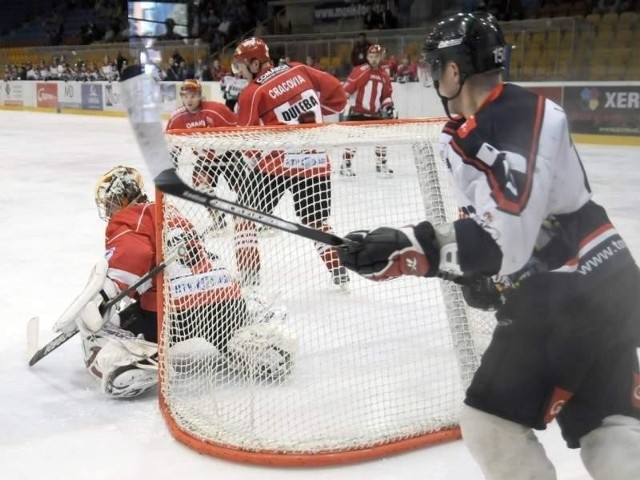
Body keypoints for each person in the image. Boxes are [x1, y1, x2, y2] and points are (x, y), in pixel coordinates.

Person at [337, 11, 640, 480]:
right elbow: (524, 226)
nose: (435, 78)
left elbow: (509, 239)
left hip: (567, 297)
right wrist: (480, 274)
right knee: (611, 427)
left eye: (438, 67)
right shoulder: (518, 111)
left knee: (489, 425)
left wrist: (414, 246)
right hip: (611, 276)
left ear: (455, 70)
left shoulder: (491, 129)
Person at [53, 166, 295, 398]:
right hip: (224, 299)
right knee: (228, 328)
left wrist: (99, 302)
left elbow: (131, 259)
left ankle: (132, 362)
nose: (108, 210)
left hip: (174, 312)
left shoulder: (129, 218)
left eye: (110, 203)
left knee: (102, 329)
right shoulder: (168, 209)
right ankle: (250, 342)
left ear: (122, 198)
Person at [231, 36, 350, 288]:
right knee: (316, 221)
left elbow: (246, 142)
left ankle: (250, 281)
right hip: (316, 160)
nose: (239, 73)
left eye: (241, 66)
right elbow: (338, 98)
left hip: (277, 164)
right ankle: (340, 273)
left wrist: (251, 163)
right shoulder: (300, 69)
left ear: (254, 64)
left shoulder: (253, 93)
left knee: (243, 215)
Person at [166, 79, 241, 234]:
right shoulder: (177, 118)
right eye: (185, 96)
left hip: (228, 154)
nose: (189, 100)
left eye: (193, 96)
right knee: (201, 187)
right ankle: (218, 220)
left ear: (200, 95)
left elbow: (238, 128)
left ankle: (246, 216)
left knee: (243, 187)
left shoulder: (216, 110)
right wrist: (172, 160)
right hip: (204, 159)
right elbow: (174, 143)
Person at [340, 44, 396, 177]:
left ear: (381, 57)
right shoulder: (361, 70)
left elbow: (386, 96)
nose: (374, 59)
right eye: (371, 57)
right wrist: (343, 104)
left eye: (376, 56)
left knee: (381, 140)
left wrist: (388, 107)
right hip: (357, 113)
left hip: (375, 114)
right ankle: (345, 165)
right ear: (367, 57)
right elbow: (346, 90)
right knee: (353, 141)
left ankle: (381, 165)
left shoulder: (384, 75)